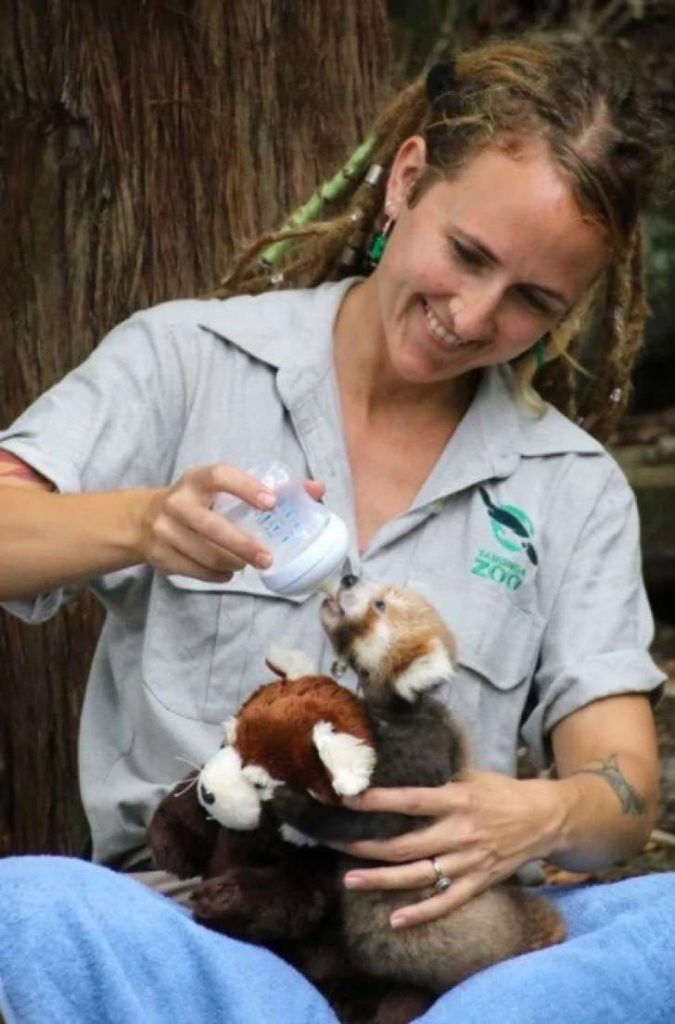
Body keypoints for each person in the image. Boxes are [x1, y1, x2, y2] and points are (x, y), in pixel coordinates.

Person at [0, 30, 673, 1024]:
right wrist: (144, 522)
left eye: (532, 299)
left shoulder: (570, 485)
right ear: (407, 180)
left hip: (450, 963)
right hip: (212, 935)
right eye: (467, 253)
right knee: (27, 910)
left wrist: (542, 813)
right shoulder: (190, 359)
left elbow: (624, 794)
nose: (472, 316)